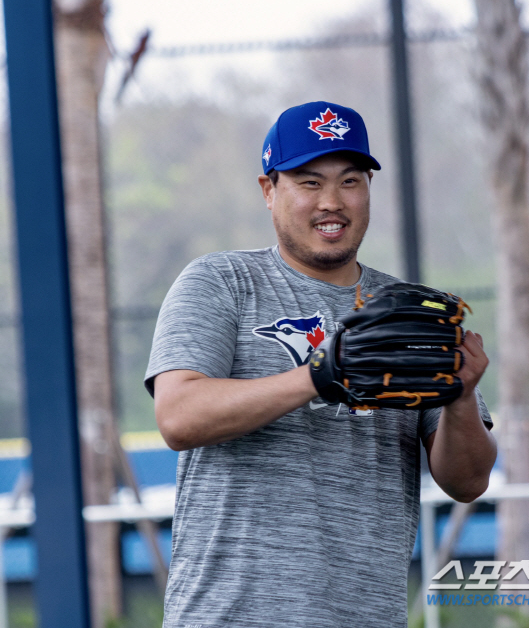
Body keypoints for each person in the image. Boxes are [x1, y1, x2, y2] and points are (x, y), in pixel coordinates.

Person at [145, 101, 497, 628]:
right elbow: (178, 417)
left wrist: (462, 398)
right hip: (227, 616)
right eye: (309, 182)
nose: (332, 202)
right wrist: (317, 375)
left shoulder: (412, 310)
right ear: (269, 190)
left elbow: (467, 481)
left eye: (350, 181)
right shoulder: (221, 282)